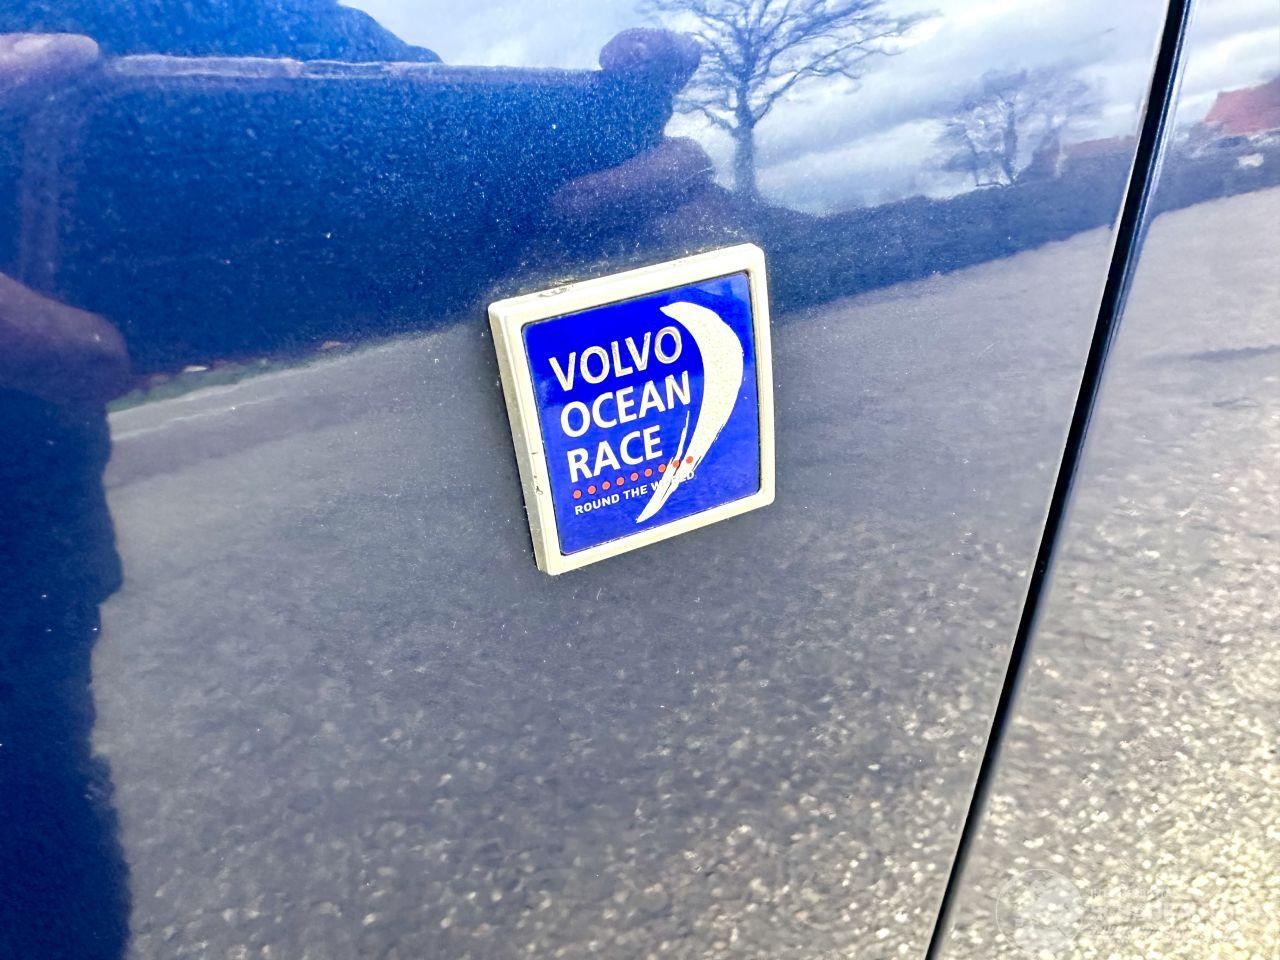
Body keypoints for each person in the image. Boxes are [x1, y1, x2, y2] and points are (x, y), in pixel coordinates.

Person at [0, 9, 721, 958]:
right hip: (38, 607)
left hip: (35, 624)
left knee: (48, 865)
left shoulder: (254, 18)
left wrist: (607, 164)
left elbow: (435, 144)